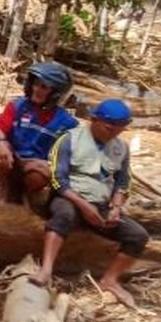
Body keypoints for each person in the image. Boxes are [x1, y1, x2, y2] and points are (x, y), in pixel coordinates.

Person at [31, 99, 148, 308]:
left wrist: (116, 208)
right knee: (64, 216)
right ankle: (46, 268)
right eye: (108, 128)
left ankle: (110, 279)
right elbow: (58, 180)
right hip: (69, 198)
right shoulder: (69, 140)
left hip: (101, 204)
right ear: (94, 120)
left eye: (119, 130)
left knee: (138, 235)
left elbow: (123, 181)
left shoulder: (121, 148)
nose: (113, 133)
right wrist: (84, 206)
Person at [0, 61, 78, 204]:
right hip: (13, 159)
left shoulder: (68, 123)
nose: (37, 90)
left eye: (44, 87)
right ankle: (5, 185)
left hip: (38, 166)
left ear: (56, 92)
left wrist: (48, 165)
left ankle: (26, 193)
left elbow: (67, 157)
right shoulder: (17, 106)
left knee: (39, 175)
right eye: (35, 84)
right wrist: (1, 144)